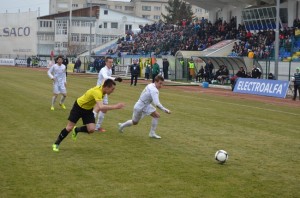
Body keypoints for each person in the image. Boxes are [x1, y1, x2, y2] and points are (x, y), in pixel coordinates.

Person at [52, 79, 125, 152]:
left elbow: (105, 80)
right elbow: (101, 107)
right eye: (112, 89)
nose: (113, 91)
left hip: (88, 110)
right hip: (78, 107)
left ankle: (76, 130)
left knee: (91, 129)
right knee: (69, 127)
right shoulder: (97, 92)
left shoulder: (103, 87)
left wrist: (115, 79)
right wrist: (116, 106)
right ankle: (56, 143)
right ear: (106, 87)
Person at [94, 56, 123, 132]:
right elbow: (106, 77)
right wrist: (115, 79)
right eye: (109, 62)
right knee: (98, 108)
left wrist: (113, 83)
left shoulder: (110, 70)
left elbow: (108, 80)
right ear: (106, 62)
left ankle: (97, 127)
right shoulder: (103, 70)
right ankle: (90, 125)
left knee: (104, 109)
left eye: (112, 62)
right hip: (98, 90)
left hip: (105, 91)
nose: (111, 63)